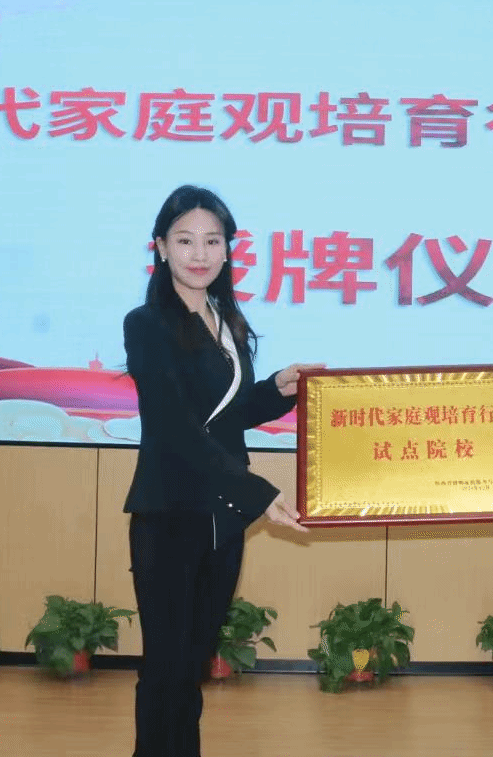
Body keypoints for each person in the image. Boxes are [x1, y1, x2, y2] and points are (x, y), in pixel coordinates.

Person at [122, 184, 319, 757]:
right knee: (166, 665)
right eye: (185, 240)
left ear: (229, 250)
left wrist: (278, 389)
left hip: (223, 518)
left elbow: (227, 415)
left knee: (193, 663)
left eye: (212, 241)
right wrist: (258, 492)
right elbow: (175, 427)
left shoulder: (226, 319)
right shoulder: (146, 323)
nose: (199, 253)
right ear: (161, 247)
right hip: (169, 512)